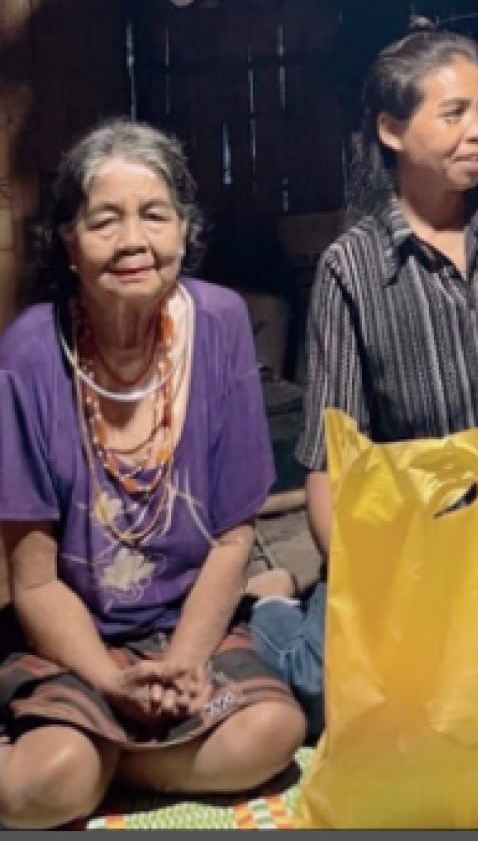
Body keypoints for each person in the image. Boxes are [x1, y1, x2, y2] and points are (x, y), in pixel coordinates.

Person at [250, 31, 478, 740]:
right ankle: (274, 606)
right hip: (416, 544)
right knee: (333, 693)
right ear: (391, 130)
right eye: (454, 113)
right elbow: (329, 461)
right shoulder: (353, 269)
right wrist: (365, 581)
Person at [0, 120, 306, 829]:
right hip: (74, 642)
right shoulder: (29, 356)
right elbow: (35, 581)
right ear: (68, 243)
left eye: (154, 216)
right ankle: (84, 760)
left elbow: (233, 538)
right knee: (47, 779)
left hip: (186, 631)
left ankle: (108, 762)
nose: (133, 241)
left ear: (183, 232)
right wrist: (110, 682)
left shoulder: (222, 322)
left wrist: (185, 666)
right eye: (104, 221)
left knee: (269, 733)